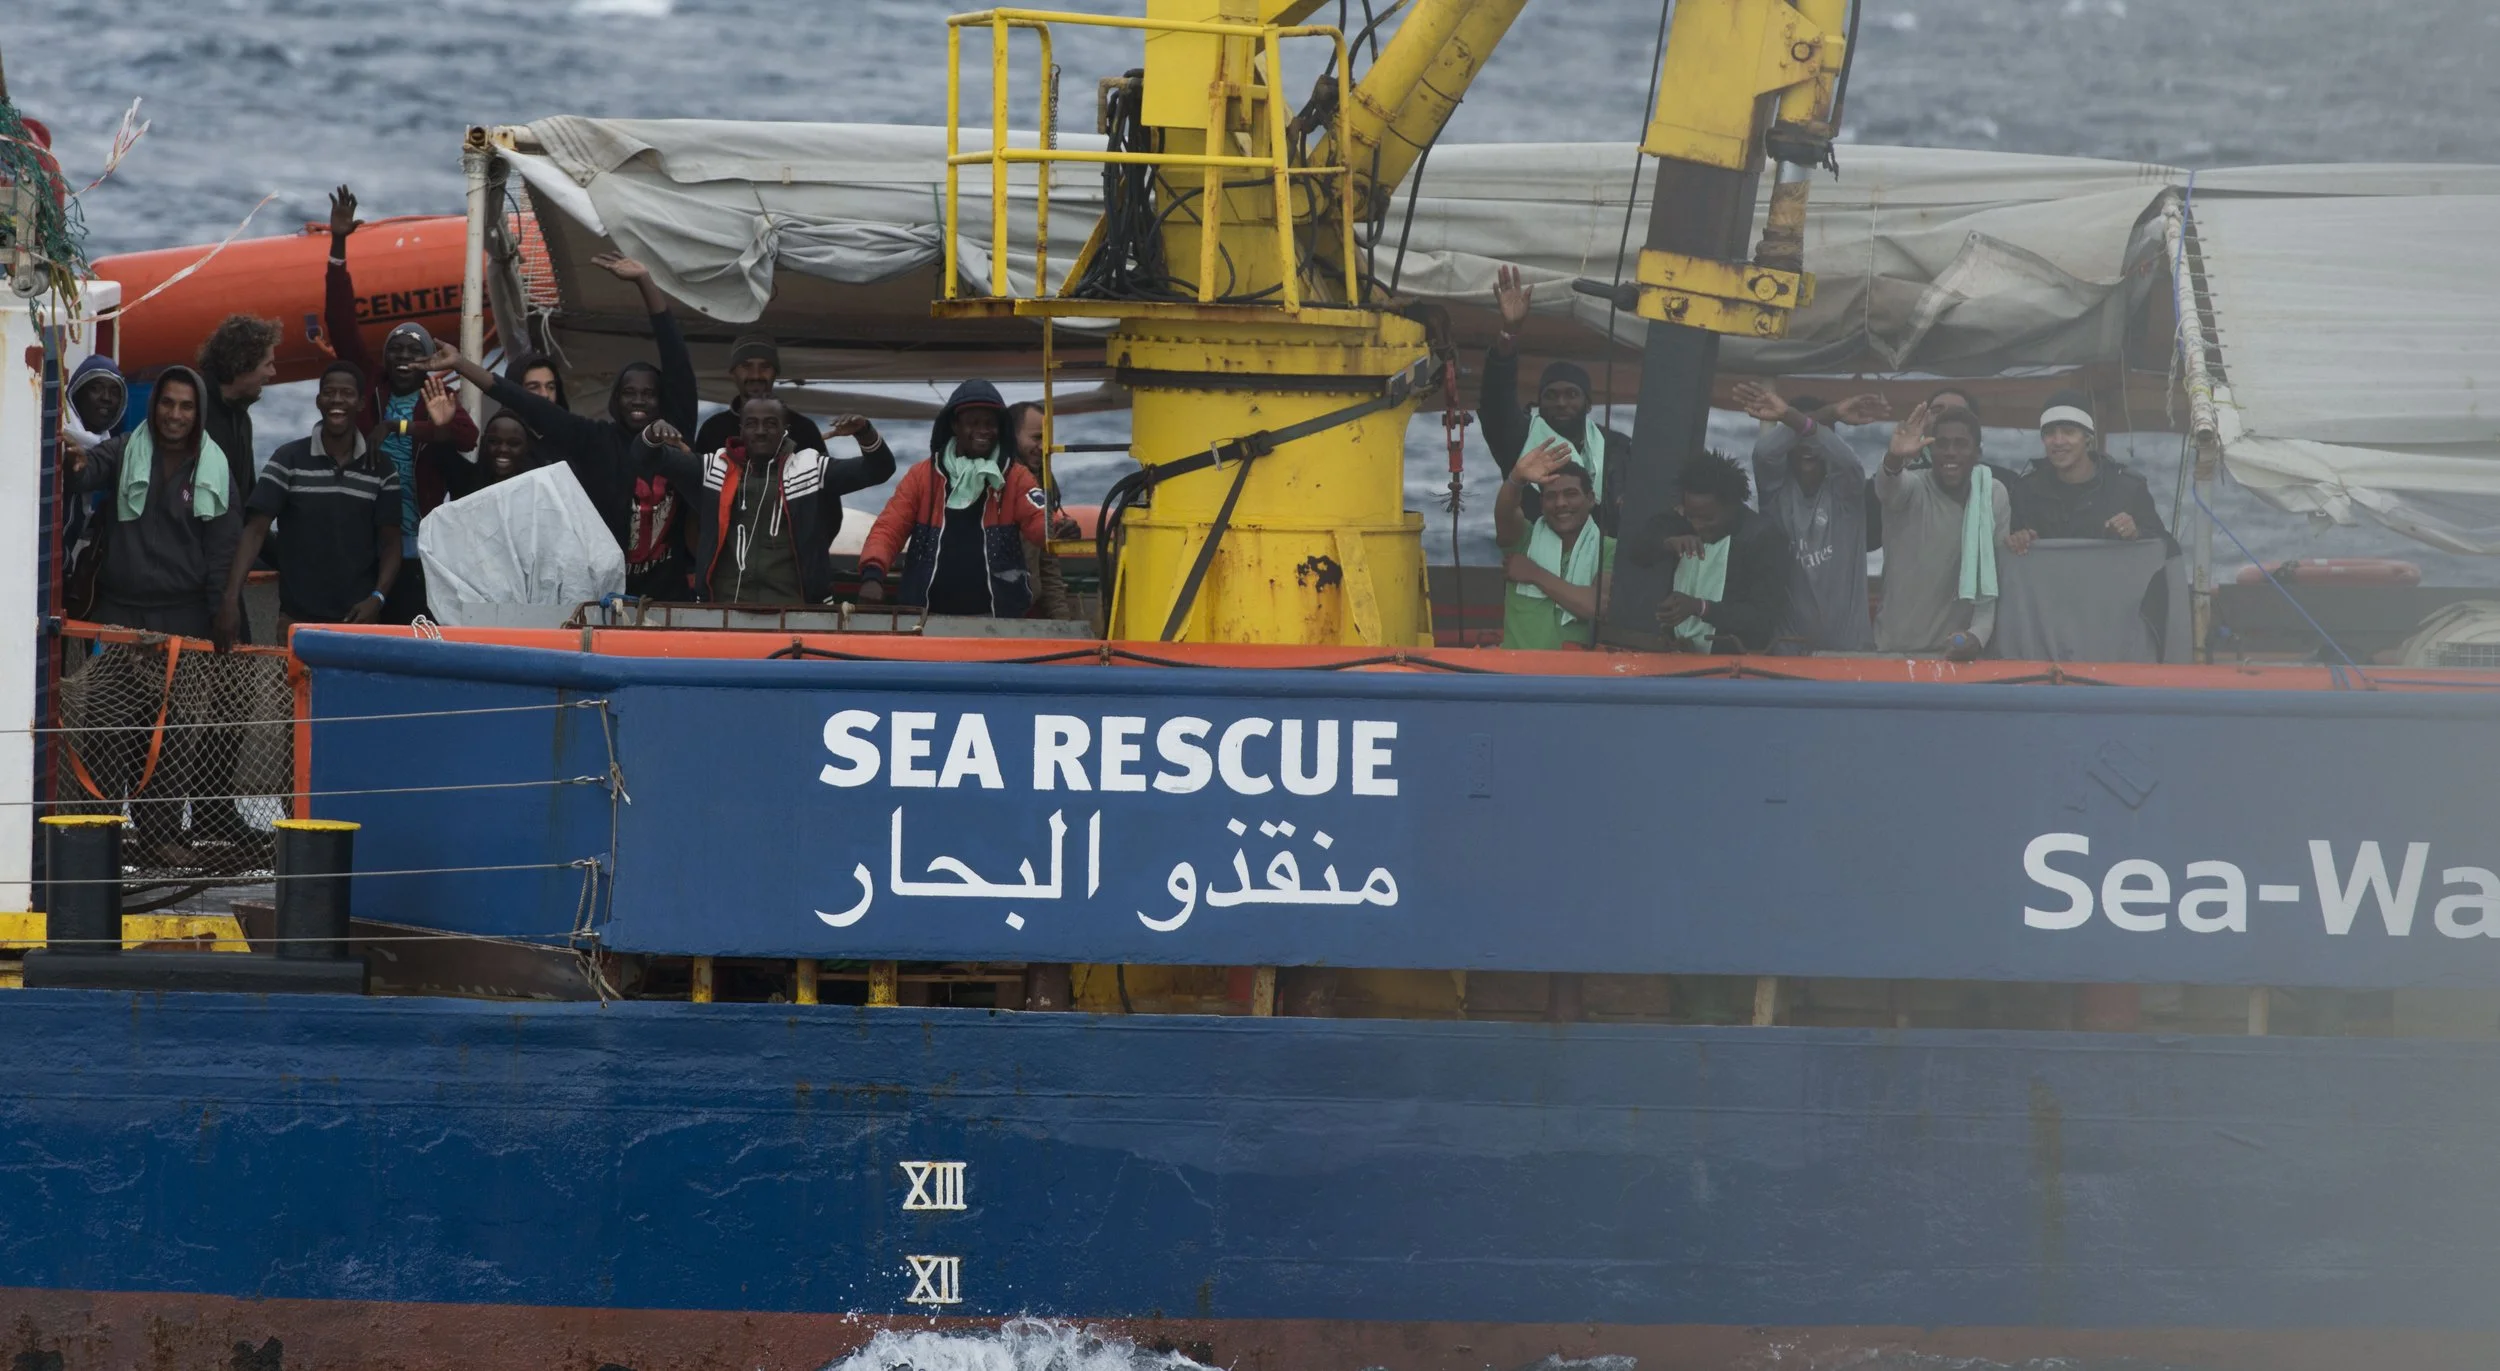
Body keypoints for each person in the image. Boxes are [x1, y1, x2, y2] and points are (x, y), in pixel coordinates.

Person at [416, 254, 702, 599]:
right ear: (616, 399)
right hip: (608, 596)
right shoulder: (595, 440)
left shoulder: (676, 433)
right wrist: (461, 364)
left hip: (669, 595)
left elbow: (677, 358)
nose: (638, 400)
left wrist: (646, 283)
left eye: (648, 394)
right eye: (628, 393)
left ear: (662, 400)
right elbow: (526, 403)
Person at [322, 187, 481, 621]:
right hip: (365, 534)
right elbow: (340, 321)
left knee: (409, 624)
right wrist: (338, 245)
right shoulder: (372, 385)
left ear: (429, 360)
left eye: (415, 353)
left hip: (418, 543)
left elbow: (467, 436)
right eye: (396, 351)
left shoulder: (436, 396)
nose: (404, 360)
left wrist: (404, 428)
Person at [635, 399, 884, 605]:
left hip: (798, 610)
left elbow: (878, 469)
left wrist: (865, 432)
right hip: (723, 608)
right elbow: (644, 458)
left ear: (785, 429)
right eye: (752, 424)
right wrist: (653, 432)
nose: (761, 431)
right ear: (741, 430)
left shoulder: (811, 468)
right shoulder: (712, 468)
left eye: (771, 424)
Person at [63, 365, 242, 646]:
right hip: (116, 615)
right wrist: (75, 466)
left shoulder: (217, 472)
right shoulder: (123, 449)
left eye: (186, 407)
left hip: (186, 620)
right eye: (167, 403)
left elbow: (223, 551)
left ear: (199, 414)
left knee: (181, 693)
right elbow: (86, 472)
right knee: (108, 693)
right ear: (154, 404)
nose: (174, 415)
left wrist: (222, 611)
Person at [222, 360, 401, 633]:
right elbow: (254, 532)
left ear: (361, 403)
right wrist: (231, 599)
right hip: (296, 622)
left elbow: (391, 544)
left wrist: (377, 598)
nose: (337, 400)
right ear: (318, 401)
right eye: (329, 392)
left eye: (347, 393)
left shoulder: (382, 469)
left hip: (359, 622)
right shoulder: (288, 459)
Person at [856, 380, 1049, 616]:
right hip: (924, 618)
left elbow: (1039, 518)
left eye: (990, 423)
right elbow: (889, 528)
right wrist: (873, 575)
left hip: (1000, 620)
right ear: (955, 426)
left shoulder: (1017, 477)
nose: (983, 430)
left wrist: (1058, 528)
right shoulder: (921, 477)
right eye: (973, 423)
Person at [1737, 380, 1883, 653]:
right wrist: (1825, 415)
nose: (1807, 444)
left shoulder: (1847, 494)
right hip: (1788, 650)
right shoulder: (1775, 494)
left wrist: (1807, 420)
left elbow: (1849, 463)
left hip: (1849, 652)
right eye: (1796, 436)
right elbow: (1764, 453)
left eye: (1815, 436)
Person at [1483, 265, 1629, 527]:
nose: (1561, 402)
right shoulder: (1518, 437)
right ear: (1539, 402)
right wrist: (1509, 331)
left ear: (1588, 403)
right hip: (1534, 557)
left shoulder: (1616, 447)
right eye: (1551, 395)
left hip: (1602, 563)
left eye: (1571, 394)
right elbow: (1496, 398)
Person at [1874, 402, 2011, 660]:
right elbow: (1887, 487)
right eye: (1942, 444)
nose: (1950, 452)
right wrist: (1894, 458)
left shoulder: (1992, 494)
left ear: (1977, 453)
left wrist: (1978, 636)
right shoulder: (1911, 489)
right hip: (1895, 652)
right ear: (1930, 450)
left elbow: (1993, 579)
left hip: (1959, 654)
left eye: (1960, 444)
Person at [1652, 450, 1792, 654]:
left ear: (1733, 505)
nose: (1698, 526)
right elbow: (1639, 546)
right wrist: (1667, 543)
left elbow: (1762, 618)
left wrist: (1700, 607)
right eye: (1692, 517)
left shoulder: (1762, 539)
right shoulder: (1684, 523)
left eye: (1708, 519)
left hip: (1729, 663)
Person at [2005, 390, 2170, 553]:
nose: (2058, 441)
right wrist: (2018, 539)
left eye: (2069, 431)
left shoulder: (2128, 488)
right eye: (2049, 433)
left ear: (2088, 437)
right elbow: (2006, 553)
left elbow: (2165, 548)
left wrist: (2136, 533)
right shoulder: (2025, 491)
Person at [1494, 441, 1613, 650]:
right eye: (1551, 496)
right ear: (1541, 504)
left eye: (1570, 494)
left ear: (1591, 499)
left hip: (1572, 677)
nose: (1560, 503)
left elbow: (1596, 605)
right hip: (1513, 672)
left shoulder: (1609, 548)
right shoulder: (1525, 539)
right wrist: (1516, 478)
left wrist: (1534, 573)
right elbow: (1504, 513)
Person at [692, 335, 827, 457]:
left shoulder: (803, 429)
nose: (756, 375)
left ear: (776, 373)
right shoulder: (713, 429)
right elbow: (694, 480)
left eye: (765, 366)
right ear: (733, 373)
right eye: (746, 366)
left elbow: (827, 481)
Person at [1004, 401, 1078, 620]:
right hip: (990, 611)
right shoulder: (990, 482)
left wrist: (1062, 622)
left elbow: (1048, 564)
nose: (1044, 447)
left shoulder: (1043, 485)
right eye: (1037, 438)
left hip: (1026, 608)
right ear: (1011, 436)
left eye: (1047, 440)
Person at [64, 354, 130, 449]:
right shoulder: (57, 436)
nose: (106, 398)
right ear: (77, 392)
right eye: (96, 389)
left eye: (114, 392)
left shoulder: (112, 450)